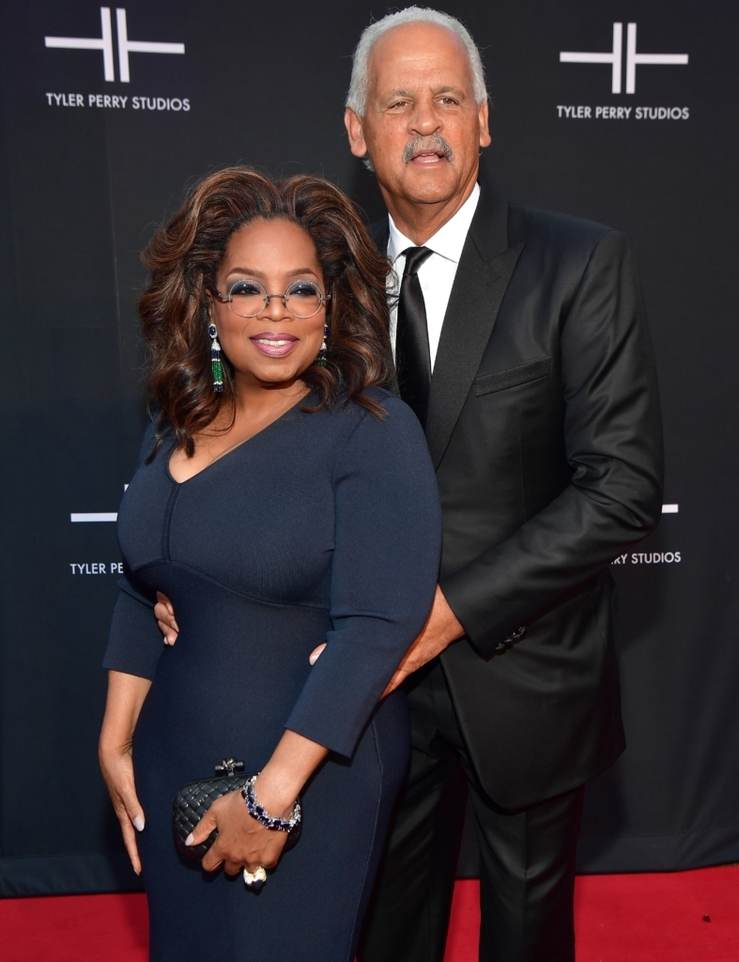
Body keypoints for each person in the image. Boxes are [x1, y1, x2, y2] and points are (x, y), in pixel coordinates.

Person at [158, 9, 664, 959]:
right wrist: (179, 579)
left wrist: (443, 615)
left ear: (484, 119)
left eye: (446, 99)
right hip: (360, 694)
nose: (425, 123)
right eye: (399, 102)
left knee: (524, 938)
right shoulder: (320, 286)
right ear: (358, 131)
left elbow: (621, 485)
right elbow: (252, 444)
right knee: (379, 933)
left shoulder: (579, 261)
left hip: (526, 676)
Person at [98, 168, 441, 962]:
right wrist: (116, 739)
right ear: (210, 306)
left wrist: (274, 799)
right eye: (248, 288)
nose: (276, 310)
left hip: (308, 775)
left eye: (302, 289)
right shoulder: (170, 420)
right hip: (172, 760)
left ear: (332, 306)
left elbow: (378, 625)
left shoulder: (370, 430)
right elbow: (136, 589)